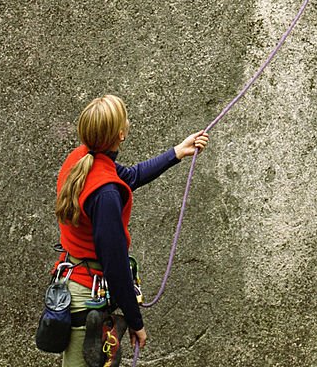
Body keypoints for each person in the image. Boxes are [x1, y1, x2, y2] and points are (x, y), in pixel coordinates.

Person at [53, 94, 209, 365]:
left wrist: (176, 152)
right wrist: (136, 322)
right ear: (121, 134)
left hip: (74, 285)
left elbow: (131, 176)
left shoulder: (80, 160)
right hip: (85, 297)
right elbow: (115, 266)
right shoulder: (106, 194)